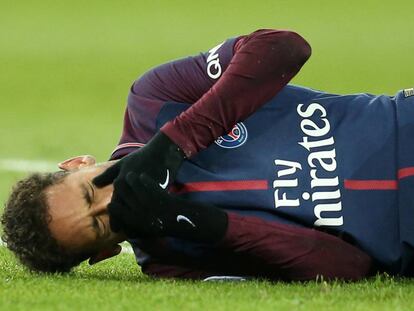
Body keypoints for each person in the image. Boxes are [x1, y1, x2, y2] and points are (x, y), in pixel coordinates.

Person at [3, 28, 413, 280]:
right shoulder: (172, 261)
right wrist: (198, 223)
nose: (112, 201)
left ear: (78, 163)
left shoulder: (154, 101)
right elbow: (348, 267)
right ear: (106, 252)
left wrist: (171, 143)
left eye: (90, 193)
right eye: (100, 226)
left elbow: (285, 47)